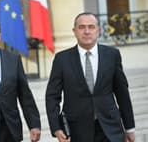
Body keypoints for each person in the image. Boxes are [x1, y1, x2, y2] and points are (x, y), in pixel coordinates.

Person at [45, 12, 135, 142]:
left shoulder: (112, 55)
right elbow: (52, 96)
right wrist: (56, 128)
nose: (87, 31)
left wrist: (130, 127)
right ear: (74, 31)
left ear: (98, 31)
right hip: (76, 131)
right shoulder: (62, 59)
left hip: (111, 130)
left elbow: (122, 93)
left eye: (91, 27)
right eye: (81, 27)